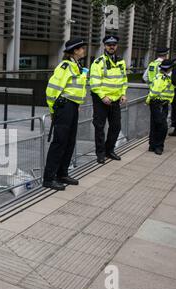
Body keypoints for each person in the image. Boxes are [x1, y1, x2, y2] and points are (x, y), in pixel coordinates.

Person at [43, 38, 88, 191]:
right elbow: (52, 89)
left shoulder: (76, 65)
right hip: (64, 107)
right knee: (59, 142)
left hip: (73, 106)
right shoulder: (64, 66)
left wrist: (77, 104)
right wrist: (53, 110)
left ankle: (62, 174)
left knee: (69, 141)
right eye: (82, 48)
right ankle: (49, 178)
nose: (84, 50)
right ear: (75, 50)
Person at [90, 35, 128, 164]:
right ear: (105, 46)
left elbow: (124, 80)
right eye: (109, 44)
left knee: (116, 126)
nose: (112, 47)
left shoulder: (121, 61)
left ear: (116, 46)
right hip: (101, 101)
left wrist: (123, 94)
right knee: (99, 128)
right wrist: (102, 96)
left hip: (115, 100)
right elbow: (94, 82)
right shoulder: (98, 62)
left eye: (114, 44)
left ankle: (109, 150)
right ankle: (100, 154)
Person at [146, 59, 176, 155]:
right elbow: (155, 92)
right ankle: (159, 146)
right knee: (162, 126)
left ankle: (152, 145)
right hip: (158, 104)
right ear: (169, 68)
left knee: (155, 124)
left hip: (162, 104)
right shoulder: (162, 78)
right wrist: (148, 101)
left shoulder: (166, 77)